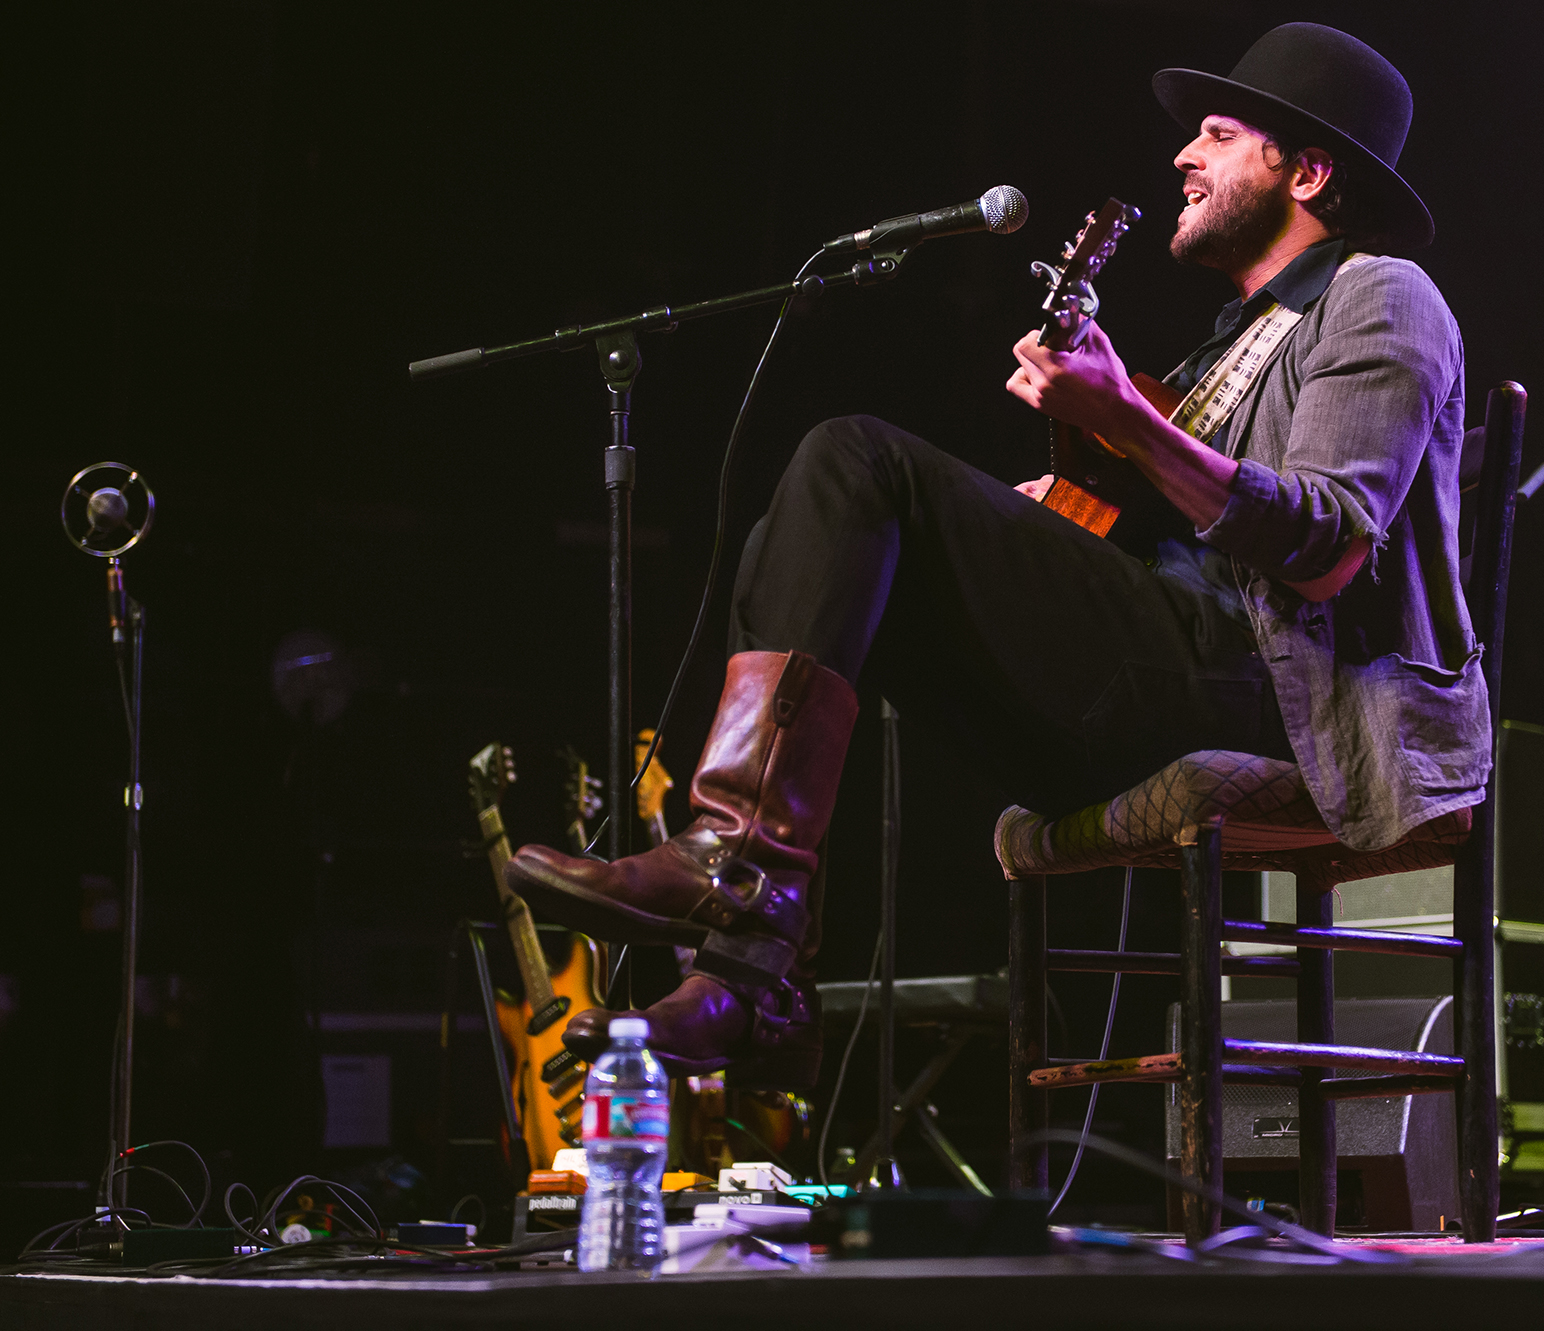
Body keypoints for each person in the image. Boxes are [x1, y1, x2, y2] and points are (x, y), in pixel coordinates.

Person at [504, 23, 1487, 1087]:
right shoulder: (1231, 340)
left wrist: (1125, 419)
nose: (1180, 158)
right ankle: (749, 966)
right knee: (824, 547)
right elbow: (1172, 534)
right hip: (1171, 672)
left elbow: (1327, 550)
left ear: (1305, 169)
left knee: (854, 460)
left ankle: (736, 892)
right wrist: (1059, 505)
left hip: (1277, 699)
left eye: (1214, 134)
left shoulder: (1381, 295)